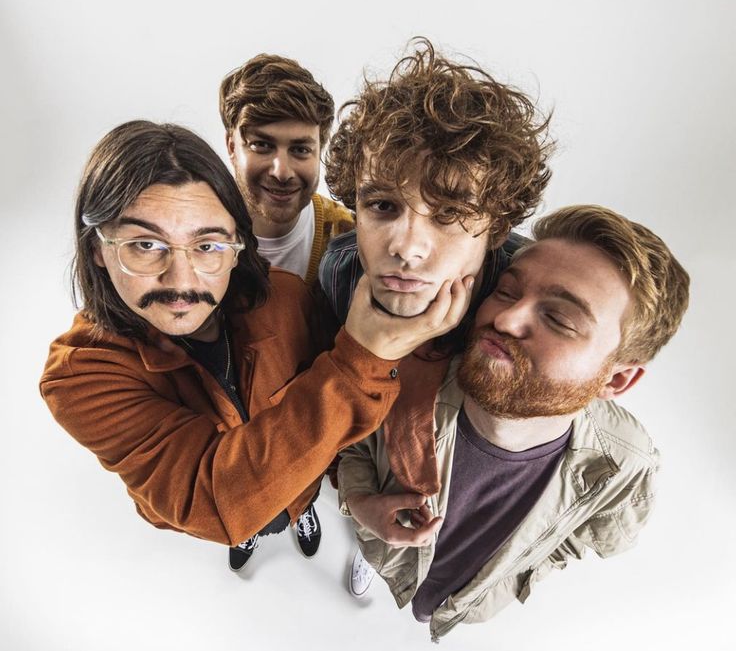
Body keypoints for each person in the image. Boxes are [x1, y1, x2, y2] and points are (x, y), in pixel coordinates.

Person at [39, 121, 473, 574]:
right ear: (96, 249)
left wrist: (355, 498)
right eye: (145, 245)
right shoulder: (79, 375)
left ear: (236, 245)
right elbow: (213, 500)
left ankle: (299, 511)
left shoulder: (285, 297)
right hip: (227, 513)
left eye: (207, 245)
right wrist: (364, 357)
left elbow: (336, 429)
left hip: (300, 485)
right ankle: (251, 536)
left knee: (293, 499)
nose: (182, 281)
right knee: (245, 522)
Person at [337, 205, 690, 640]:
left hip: (470, 600)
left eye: (558, 318)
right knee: (379, 549)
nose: (504, 320)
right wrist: (359, 505)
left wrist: (525, 568)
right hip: (382, 546)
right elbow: (353, 443)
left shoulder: (626, 463)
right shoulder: (403, 377)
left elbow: (591, 536)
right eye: (506, 291)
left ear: (617, 377)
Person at [318, 37, 552, 594]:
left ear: (494, 230)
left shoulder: (521, 298)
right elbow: (343, 400)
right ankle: (373, 548)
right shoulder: (342, 269)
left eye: (448, 214)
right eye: (382, 206)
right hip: (386, 448)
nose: (407, 247)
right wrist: (357, 501)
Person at [220, 54, 354, 286]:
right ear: (232, 147)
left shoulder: (350, 238)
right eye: (262, 145)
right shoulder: (195, 234)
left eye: (300, 149)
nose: (282, 172)